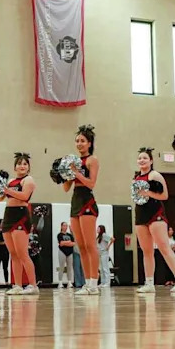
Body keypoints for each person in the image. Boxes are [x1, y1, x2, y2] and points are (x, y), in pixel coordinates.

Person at [133, 147, 175, 293]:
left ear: (151, 161)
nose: (142, 160)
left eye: (145, 158)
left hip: (155, 213)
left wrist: (148, 192)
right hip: (140, 214)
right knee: (146, 251)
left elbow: (164, 196)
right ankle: (149, 283)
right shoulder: (137, 178)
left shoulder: (155, 175)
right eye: (139, 158)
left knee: (164, 247)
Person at [64, 125, 101, 295]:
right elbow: (66, 188)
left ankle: (94, 283)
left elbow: (91, 183)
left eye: (82, 141)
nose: (79, 143)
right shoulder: (74, 161)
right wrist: (64, 174)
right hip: (75, 201)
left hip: (87, 201)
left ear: (89, 143)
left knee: (90, 244)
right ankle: (87, 283)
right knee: (81, 246)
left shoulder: (92, 160)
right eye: (77, 141)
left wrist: (76, 172)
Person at [0, 153, 38, 295]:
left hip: (21, 215)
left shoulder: (29, 180)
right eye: (19, 163)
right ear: (15, 167)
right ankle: (18, 285)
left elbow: (24, 197)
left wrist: (7, 190)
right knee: (13, 254)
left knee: (22, 253)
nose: (22, 166)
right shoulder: (11, 181)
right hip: (8, 215)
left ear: (28, 167)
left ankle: (33, 285)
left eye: (25, 164)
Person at [56, 222, 75, 288]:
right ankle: (60, 283)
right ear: (61, 226)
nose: (65, 227)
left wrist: (66, 243)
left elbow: (73, 243)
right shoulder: (59, 235)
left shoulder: (70, 235)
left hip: (70, 252)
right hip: (62, 252)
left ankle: (69, 282)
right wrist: (68, 242)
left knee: (69, 267)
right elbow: (61, 243)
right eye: (64, 225)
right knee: (61, 267)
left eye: (66, 226)